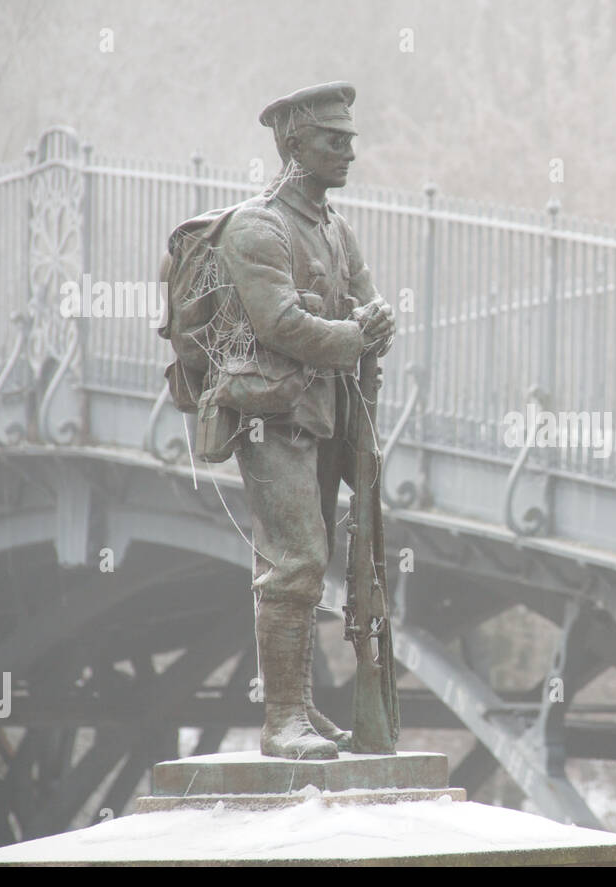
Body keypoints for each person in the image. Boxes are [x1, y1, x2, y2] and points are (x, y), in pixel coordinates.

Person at [214, 81, 394, 759]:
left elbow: (366, 305)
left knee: (312, 565)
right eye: (333, 139)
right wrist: (357, 332)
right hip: (271, 418)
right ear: (294, 143)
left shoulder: (335, 229)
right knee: (295, 562)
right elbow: (282, 324)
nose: (349, 150)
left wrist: (376, 321)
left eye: (349, 138)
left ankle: (301, 708)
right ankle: (280, 719)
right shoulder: (257, 228)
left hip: (324, 417)